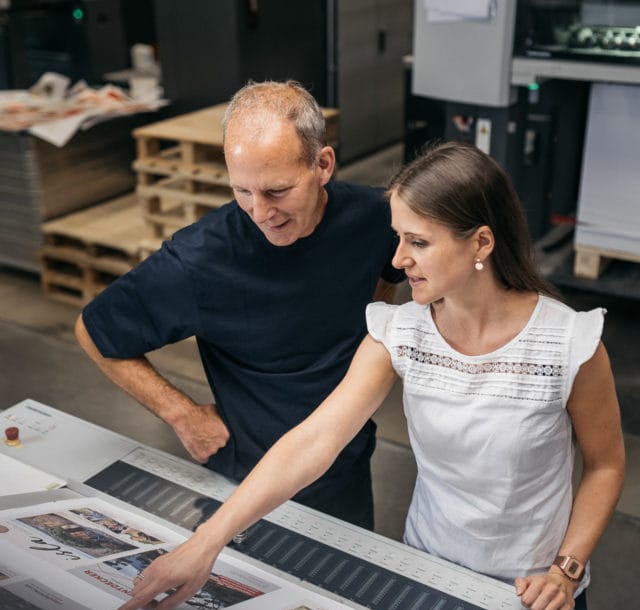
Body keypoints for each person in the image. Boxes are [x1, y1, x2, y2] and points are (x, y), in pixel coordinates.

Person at [110, 140, 625, 610]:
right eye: (398, 237)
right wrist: (207, 542)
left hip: (538, 590)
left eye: (418, 242)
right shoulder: (400, 331)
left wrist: (566, 569)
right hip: (429, 574)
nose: (399, 259)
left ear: (481, 242)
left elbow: (605, 465)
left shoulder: (569, 343)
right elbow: (314, 440)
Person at [75, 80, 405, 530]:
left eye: (277, 190)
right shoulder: (200, 259)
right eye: (242, 192)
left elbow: (391, 272)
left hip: (345, 468)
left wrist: (372, 334)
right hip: (247, 485)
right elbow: (93, 331)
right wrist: (183, 415)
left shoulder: (375, 217)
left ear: (323, 164)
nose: (260, 212)